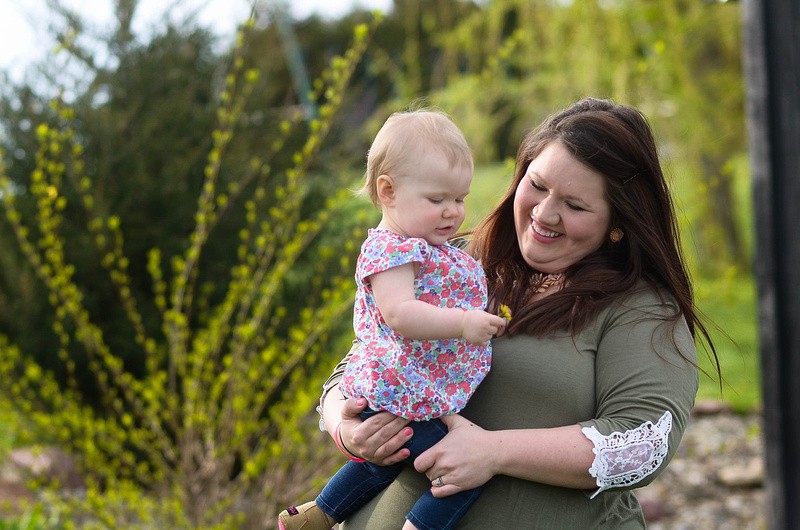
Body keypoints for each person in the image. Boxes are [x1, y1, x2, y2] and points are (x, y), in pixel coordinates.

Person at [316, 97, 721, 528]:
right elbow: (366, 355)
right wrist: (345, 424)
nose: (545, 214)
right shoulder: (450, 261)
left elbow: (642, 445)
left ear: (618, 222)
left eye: (576, 205)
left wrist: (495, 452)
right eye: (539, 185)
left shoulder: (641, 310)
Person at [278, 109, 508, 530]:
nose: (452, 213)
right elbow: (400, 314)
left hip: (405, 389)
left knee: (381, 465)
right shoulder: (391, 252)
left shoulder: (425, 247)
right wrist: (462, 324)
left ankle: (317, 515)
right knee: (458, 471)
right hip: (401, 389)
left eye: (459, 199)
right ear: (388, 191)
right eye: (437, 200)